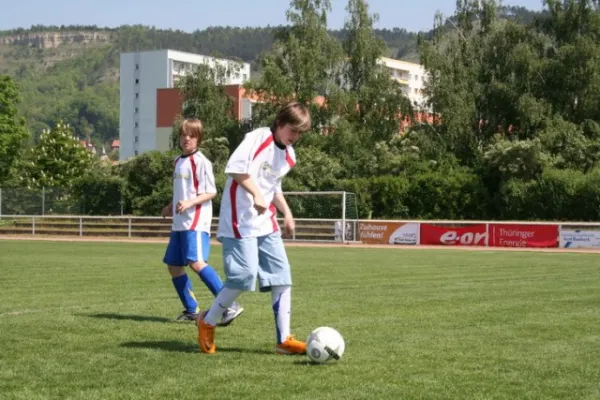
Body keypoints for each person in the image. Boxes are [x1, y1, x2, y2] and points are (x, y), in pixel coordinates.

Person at [197, 102, 311, 355]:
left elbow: (273, 187)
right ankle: (207, 321)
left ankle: (284, 339)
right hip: (240, 218)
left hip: (266, 221)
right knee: (243, 277)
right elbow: (236, 169)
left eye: (301, 133)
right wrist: (257, 195)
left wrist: (287, 213)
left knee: (282, 275)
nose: (296, 137)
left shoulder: (289, 155)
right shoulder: (259, 137)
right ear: (280, 124)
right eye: (293, 130)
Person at [161, 118, 244, 326]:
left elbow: (211, 192)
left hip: (195, 222)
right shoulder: (178, 161)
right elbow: (181, 191)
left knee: (196, 263)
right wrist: (171, 205)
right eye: (183, 134)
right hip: (179, 223)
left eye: (192, 135)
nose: (187, 138)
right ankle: (191, 310)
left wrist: (189, 203)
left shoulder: (202, 162)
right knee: (173, 266)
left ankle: (229, 304)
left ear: (198, 138)